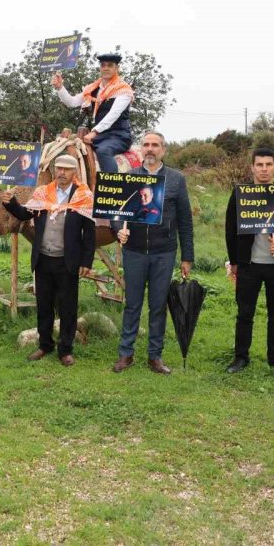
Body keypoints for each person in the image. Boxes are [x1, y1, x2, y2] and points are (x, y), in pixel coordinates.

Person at [111, 131, 194, 375]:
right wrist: (119, 231)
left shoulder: (176, 179)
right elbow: (116, 213)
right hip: (134, 250)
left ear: (163, 150)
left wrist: (187, 256)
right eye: (146, 144)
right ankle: (126, 353)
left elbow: (185, 221)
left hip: (164, 252)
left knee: (158, 305)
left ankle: (154, 356)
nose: (150, 149)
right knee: (132, 304)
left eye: (155, 145)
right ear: (140, 149)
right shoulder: (129, 178)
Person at [1, 154, 96, 366]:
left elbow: (89, 234)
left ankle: (65, 349)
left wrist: (86, 262)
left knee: (67, 307)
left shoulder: (84, 196)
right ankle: (45, 345)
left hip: (67, 261)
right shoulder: (43, 193)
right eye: (58, 168)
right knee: (44, 305)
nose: (61, 172)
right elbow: (25, 214)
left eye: (66, 169)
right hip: (43, 259)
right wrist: (10, 202)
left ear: (75, 173)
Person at [225, 148, 274, 379]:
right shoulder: (241, 195)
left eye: (269, 164)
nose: (264, 169)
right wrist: (235, 262)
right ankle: (241, 357)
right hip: (249, 265)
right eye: (260, 165)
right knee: (244, 313)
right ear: (252, 168)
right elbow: (230, 229)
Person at [51, 53, 134, 173]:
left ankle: (112, 187)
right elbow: (72, 102)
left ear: (117, 68)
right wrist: (60, 88)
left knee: (103, 151)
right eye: (103, 65)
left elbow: (113, 115)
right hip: (99, 136)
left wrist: (94, 132)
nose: (105, 68)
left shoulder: (124, 90)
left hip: (118, 136)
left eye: (110, 65)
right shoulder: (93, 89)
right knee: (70, 148)